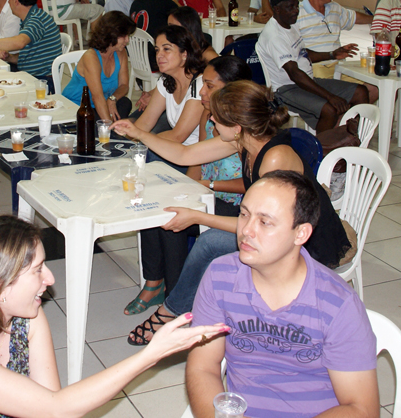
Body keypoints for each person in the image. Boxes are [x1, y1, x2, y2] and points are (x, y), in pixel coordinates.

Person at [0, 214, 227, 417]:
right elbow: (55, 409)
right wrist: (150, 355)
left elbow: (52, 404)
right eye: (37, 270)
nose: (49, 279)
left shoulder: (26, 318)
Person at [113, 80, 353, 346]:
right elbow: (184, 155)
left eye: (217, 117)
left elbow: (261, 228)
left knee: (209, 242)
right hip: (269, 227)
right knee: (181, 216)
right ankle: (181, 301)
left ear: (237, 126)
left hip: (304, 240)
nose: (211, 120)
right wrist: (139, 133)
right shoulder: (245, 140)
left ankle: (170, 312)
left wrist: (198, 217)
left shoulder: (274, 157)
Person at [186, 170, 378, 418]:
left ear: (301, 233)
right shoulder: (220, 276)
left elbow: (361, 409)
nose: (246, 230)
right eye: (244, 214)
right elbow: (202, 367)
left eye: (265, 222)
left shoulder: (338, 304)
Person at [112, 25, 205, 313]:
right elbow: (144, 125)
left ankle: (172, 291)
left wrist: (141, 139)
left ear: (185, 54)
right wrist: (124, 135)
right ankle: (153, 282)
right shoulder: (166, 82)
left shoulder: (200, 85)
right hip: (172, 155)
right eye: (157, 50)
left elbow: (178, 136)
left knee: (158, 196)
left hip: (196, 160)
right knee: (142, 193)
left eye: (167, 49)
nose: (159, 56)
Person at [257, 0, 369, 132]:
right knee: (329, 110)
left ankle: (352, 138)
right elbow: (294, 74)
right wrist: (330, 96)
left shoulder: (290, 24)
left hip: (305, 80)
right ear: (277, 9)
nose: (296, 10)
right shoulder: (274, 36)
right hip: (286, 90)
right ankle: (322, 146)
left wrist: (332, 54)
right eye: (290, 7)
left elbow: (303, 53)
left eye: (296, 5)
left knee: (360, 92)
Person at [297, 0, 377, 100]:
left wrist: (377, 19)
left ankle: (349, 113)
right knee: (338, 96)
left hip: (339, 66)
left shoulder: (334, 7)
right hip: (315, 68)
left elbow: (354, 17)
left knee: (374, 87)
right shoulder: (297, 13)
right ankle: (344, 111)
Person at [60, 12, 135, 121]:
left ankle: (116, 127)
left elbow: (124, 86)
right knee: (97, 120)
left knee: (125, 103)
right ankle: (113, 129)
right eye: (124, 36)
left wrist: (112, 99)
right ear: (111, 35)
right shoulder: (91, 57)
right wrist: (108, 126)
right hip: (77, 107)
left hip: (98, 105)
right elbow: (97, 97)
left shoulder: (121, 52)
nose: (127, 40)